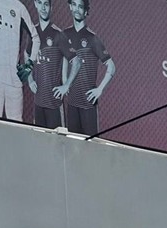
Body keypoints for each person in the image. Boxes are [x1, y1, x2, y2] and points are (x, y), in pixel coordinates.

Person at [63, 0, 115, 136]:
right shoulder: (65, 34)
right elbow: (64, 59)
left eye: (80, 6)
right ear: (70, 7)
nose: (77, 9)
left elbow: (111, 66)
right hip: (72, 103)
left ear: (86, 11)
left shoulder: (92, 38)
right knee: (72, 141)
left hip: (88, 103)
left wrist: (100, 89)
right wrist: (64, 81)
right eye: (74, 5)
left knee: (90, 142)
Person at [27, 0, 81, 128]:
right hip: (38, 102)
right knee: (39, 138)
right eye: (40, 3)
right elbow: (26, 54)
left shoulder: (58, 34)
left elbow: (77, 61)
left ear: (51, 8)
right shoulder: (33, 32)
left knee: (57, 139)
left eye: (46, 4)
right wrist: (30, 80)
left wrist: (66, 85)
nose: (43, 7)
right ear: (35, 4)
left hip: (54, 104)